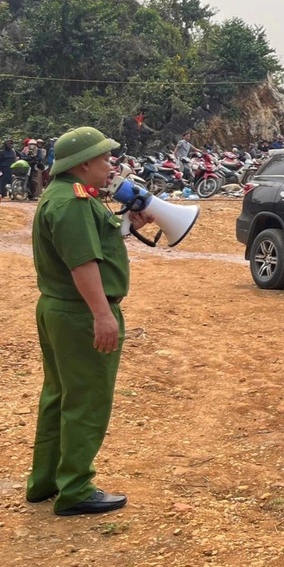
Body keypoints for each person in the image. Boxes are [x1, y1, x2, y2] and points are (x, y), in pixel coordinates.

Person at [29, 126, 152, 516]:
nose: (109, 163)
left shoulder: (66, 195)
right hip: (81, 312)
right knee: (87, 400)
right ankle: (76, 489)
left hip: (61, 309)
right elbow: (83, 263)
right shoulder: (74, 203)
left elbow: (99, 239)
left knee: (60, 396)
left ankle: (47, 480)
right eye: (103, 157)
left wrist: (132, 226)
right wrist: (102, 314)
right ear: (83, 164)